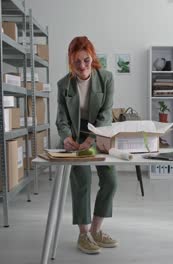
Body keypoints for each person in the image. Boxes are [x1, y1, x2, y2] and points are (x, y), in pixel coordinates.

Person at [56, 36, 118, 254]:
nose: (82, 66)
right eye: (77, 62)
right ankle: (83, 235)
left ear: (92, 58)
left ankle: (96, 231)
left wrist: (92, 139)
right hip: (74, 135)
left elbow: (106, 112)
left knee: (110, 180)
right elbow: (62, 118)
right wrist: (66, 138)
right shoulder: (64, 84)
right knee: (82, 180)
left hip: (99, 133)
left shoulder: (106, 78)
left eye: (86, 60)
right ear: (70, 62)